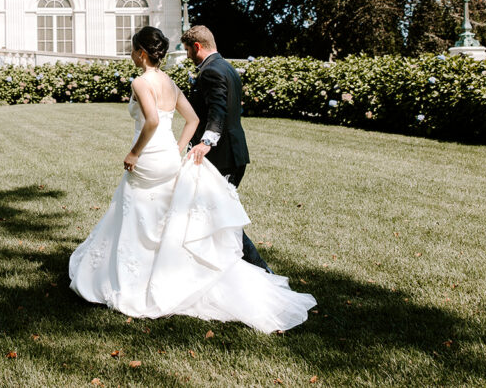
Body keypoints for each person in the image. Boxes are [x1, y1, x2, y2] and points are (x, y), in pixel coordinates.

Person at [69, 26, 315, 333]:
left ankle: (135, 278)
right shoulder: (170, 83)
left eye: (133, 50)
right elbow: (194, 119)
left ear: (142, 53)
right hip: (168, 158)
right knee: (163, 217)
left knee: (136, 215)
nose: (131, 55)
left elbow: (153, 120)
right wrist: (177, 147)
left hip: (147, 158)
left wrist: (134, 153)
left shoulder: (141, 81)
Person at [182, 25, 269, 271]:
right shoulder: (226, 66)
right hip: (233, 153)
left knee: (224, 217)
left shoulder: (210, 71)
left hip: (224, 157)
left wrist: (207, 141)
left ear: (197, 46)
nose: (188, 56)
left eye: (188, 50)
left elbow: (217, 109)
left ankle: (259, 269)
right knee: (214, 214)